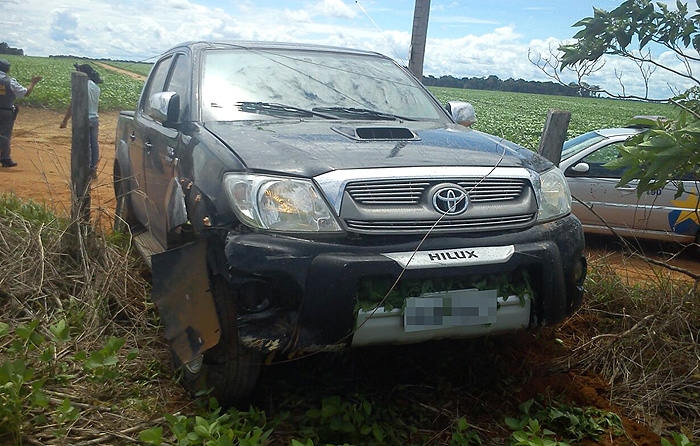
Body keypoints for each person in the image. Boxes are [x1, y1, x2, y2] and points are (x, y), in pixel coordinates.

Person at [60, 63, 102, 177]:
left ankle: (86, 170)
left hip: (84, 119)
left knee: (85, 146)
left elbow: (73, 105)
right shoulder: (96, 87)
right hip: (95, 118)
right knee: (94, 145)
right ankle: (93, 169)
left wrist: (65, 120)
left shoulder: (81, 85)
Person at [0, 58, 42, 167]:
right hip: (6, 111)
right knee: (5, 135)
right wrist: (33, 82)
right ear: (7, 70)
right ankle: (5, 158)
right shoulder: (10, 81)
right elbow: (25, 92)